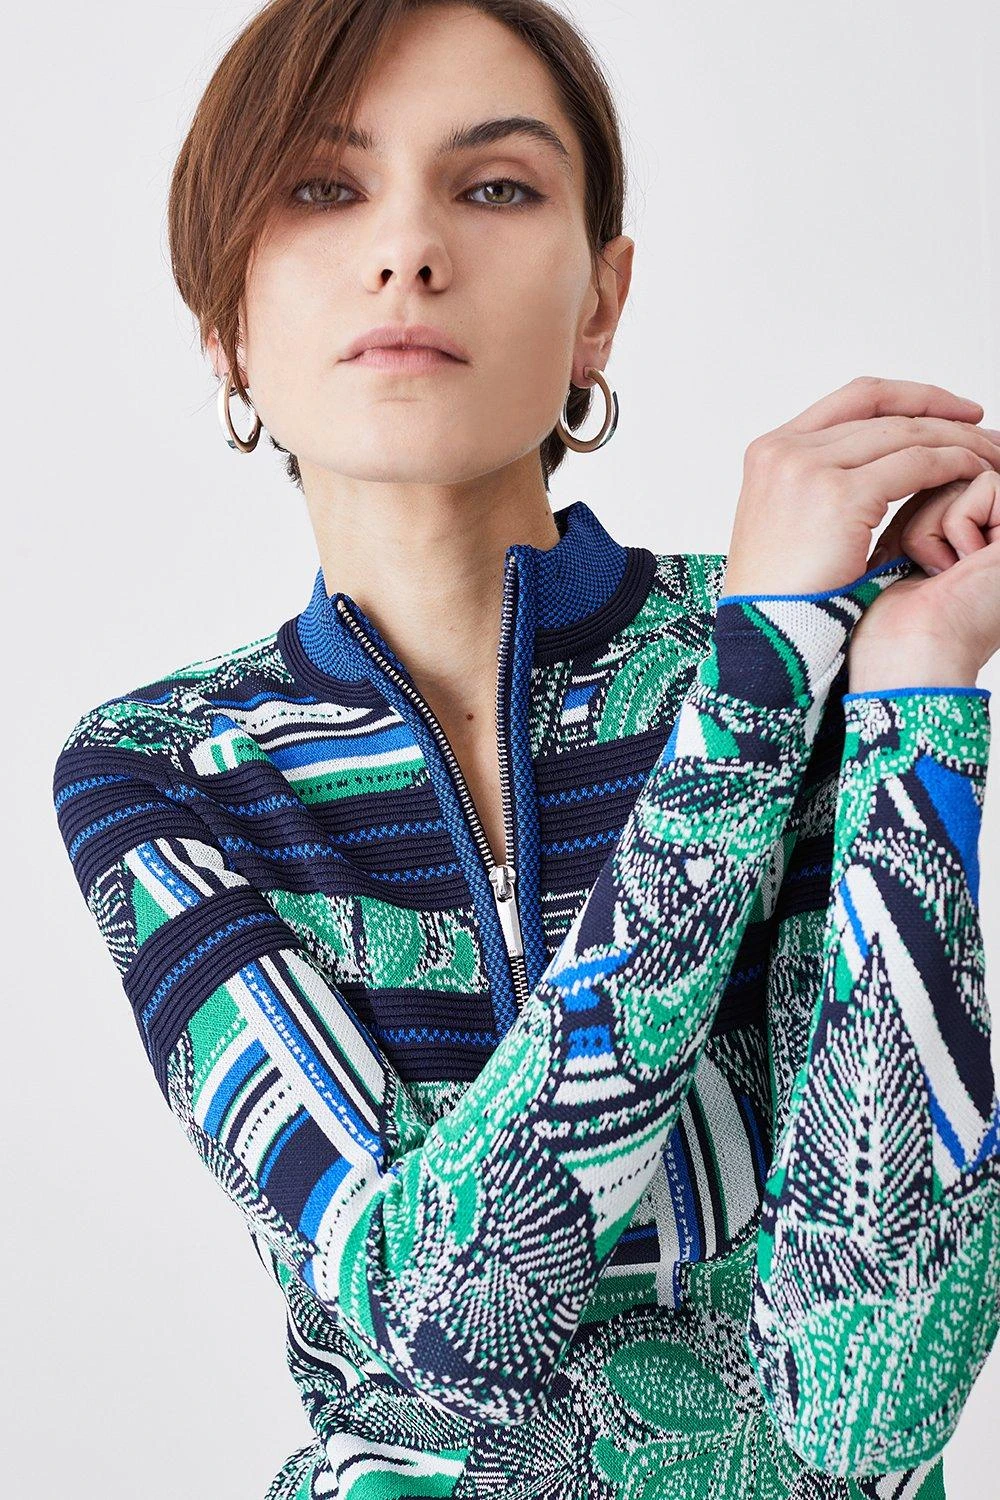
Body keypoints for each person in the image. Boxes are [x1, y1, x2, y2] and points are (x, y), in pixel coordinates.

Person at [51, 1, 1000, 1496]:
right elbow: (439, 1316)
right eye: (323, 187)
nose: (409, 249)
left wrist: (914, 686)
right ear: (225, 321)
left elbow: (875, 1392)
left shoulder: (823, 646)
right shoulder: (161, 767)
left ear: (600, 304)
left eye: (494, 185)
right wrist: (751, 697)